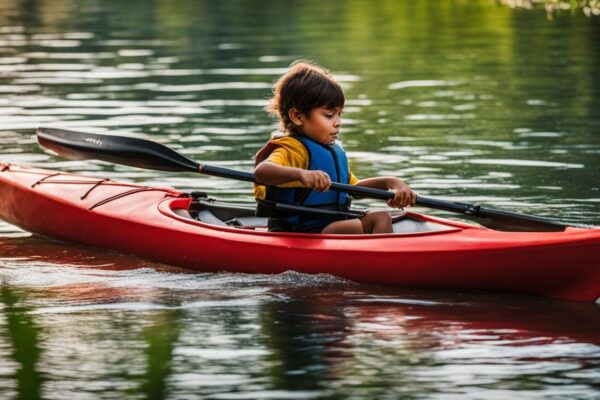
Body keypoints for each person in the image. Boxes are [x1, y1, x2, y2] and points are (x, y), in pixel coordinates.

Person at [254, 60, 416, 234]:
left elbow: (355, 189)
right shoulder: (292, 150)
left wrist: (391, 183)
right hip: (301, 230)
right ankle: (384, 260)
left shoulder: (332, 150)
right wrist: (302, 175)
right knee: (380, 218)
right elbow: (262, 172)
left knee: (380, 217)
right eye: (329, 115)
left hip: (332, 224)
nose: (338, 123)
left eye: (339, 114)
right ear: (297, 116)